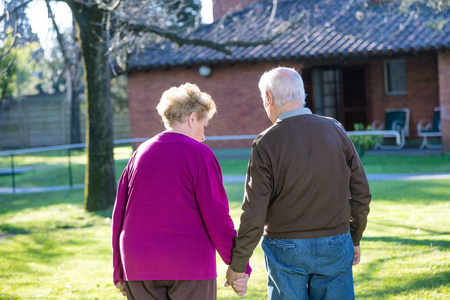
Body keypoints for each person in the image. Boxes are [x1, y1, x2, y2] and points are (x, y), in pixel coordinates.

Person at [226, 67, 371, 299]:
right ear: (302, 93)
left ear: (268, 98)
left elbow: (254, 210)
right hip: (335, 241)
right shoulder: (335, 129)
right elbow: (361, 193)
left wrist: (238, 263)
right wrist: (354, 237)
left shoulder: (265, 142)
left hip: (285, 246)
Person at [112, 83, 251, 300]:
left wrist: (118, 270)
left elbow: (119, 214)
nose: (204, 136)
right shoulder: (200, 154)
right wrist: (238, 265)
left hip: (137, 263)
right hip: (189, 264)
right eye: (204, 126)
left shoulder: (139, 153)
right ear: (192, 118)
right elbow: (216, 216)